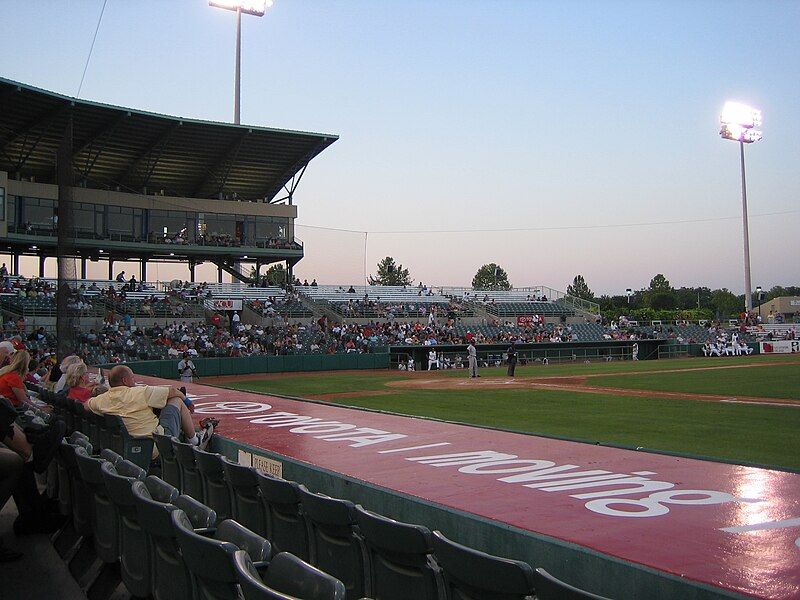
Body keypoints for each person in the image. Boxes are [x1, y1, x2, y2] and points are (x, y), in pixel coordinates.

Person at [87, 365, 212, 454]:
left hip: (125, 445)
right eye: (132, 378)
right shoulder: (140, 392)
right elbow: (173, 391)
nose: (134, 381)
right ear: (125, 380)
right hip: (156, 445)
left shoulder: (102, 400)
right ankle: (195, 440)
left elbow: (86, 405)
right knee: (176, 400)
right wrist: (187, 401)